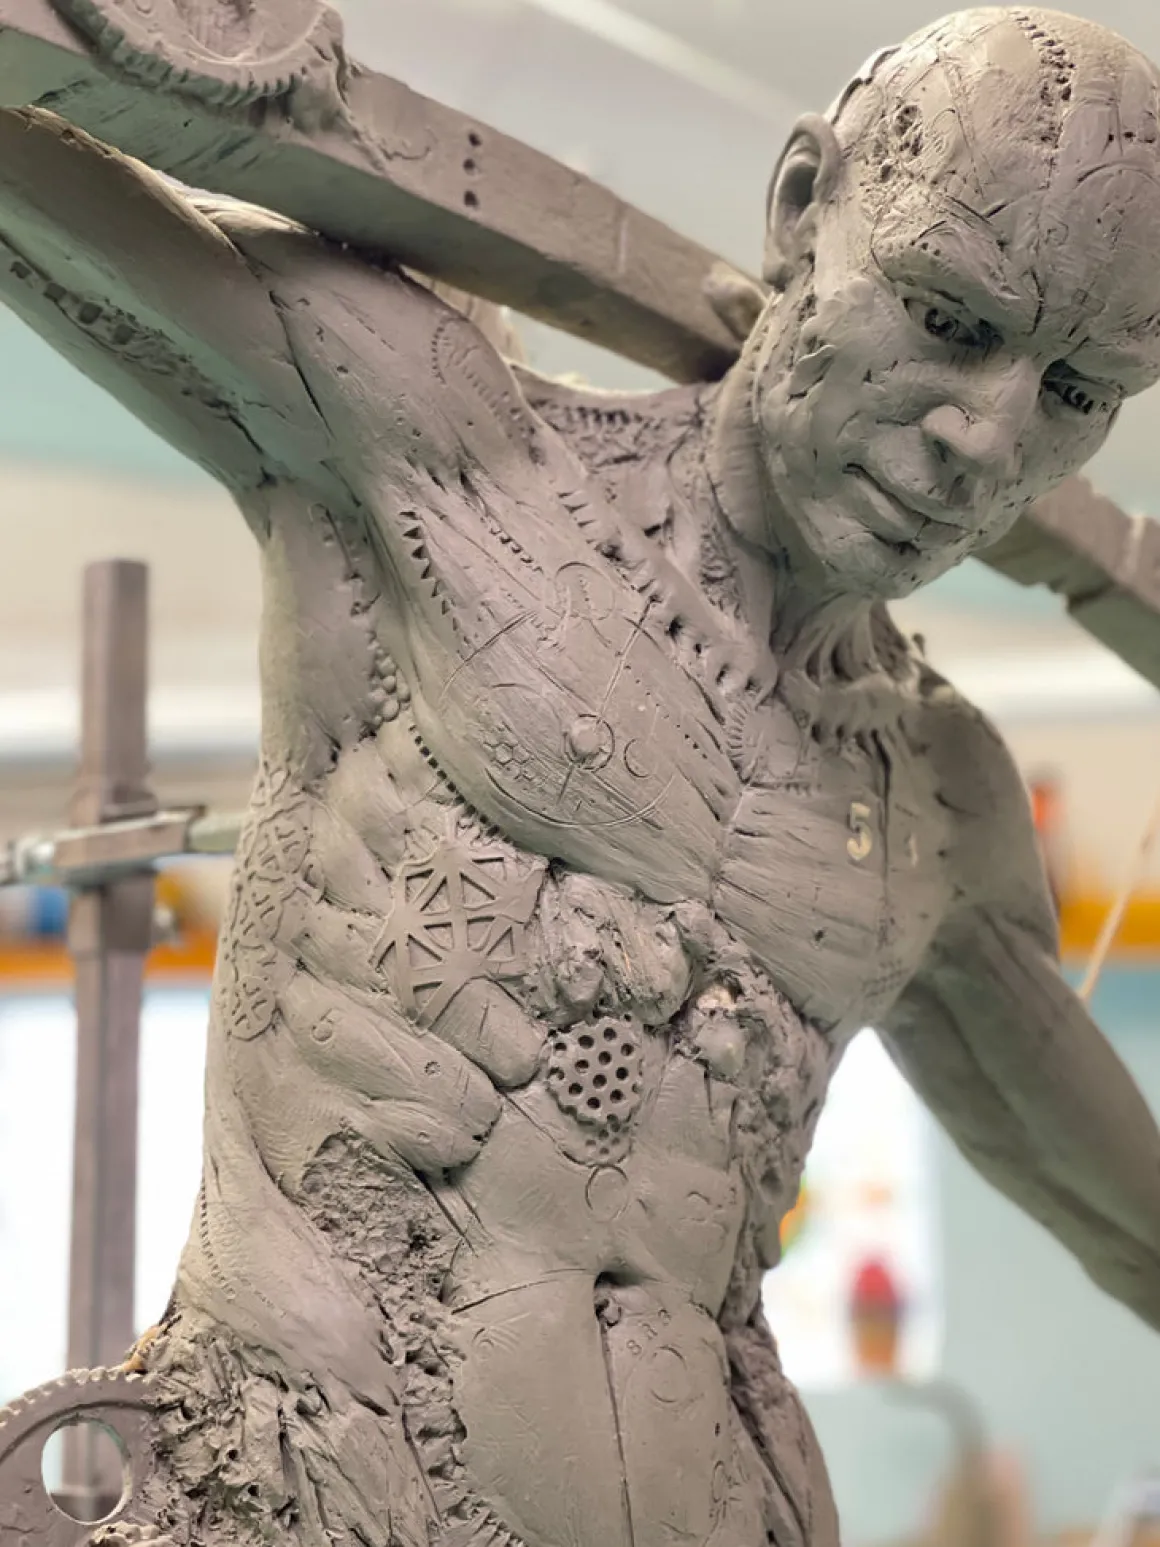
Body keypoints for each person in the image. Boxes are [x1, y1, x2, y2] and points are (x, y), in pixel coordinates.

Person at [1, 8, 1159, 1545]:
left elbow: (1130, 1218)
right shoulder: (444, 445)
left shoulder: (940, 801)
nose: (983, 438)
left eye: (1077, 392)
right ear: (803, 207)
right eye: (948, 316)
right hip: (306, 1494)